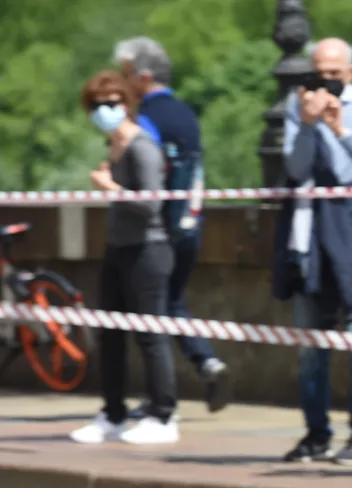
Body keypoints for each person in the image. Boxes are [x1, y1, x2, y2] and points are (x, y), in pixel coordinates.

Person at [280, 38, 352, 465]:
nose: (324, 78)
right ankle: (315, 434)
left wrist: (338, 128)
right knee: (311, 341)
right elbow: (294, 169)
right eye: (317, 70)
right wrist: (309, 124)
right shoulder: (299, 107)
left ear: (351, 71)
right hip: (312, 232)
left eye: (332, 71)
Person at [114, 37, 230, 414]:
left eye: (127, 74)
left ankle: (159, 402)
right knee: (171, 304)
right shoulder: (186, 114)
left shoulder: (144, 120)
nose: (122, 81)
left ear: (143, 77)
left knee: (150, 319)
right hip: (190, 224)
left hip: (156, 233)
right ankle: (206, 361)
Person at [70, 70, 179, 446]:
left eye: (113, 103)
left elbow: (153, 205)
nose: (106, 111)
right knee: (110, 334)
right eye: (98, 106)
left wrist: (111, 187)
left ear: (128, 104)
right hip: (118, 249)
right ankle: (113, 413)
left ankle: (163, 416)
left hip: (148, 249)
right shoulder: (113, 147)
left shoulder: (142, 146)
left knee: (150, 335)